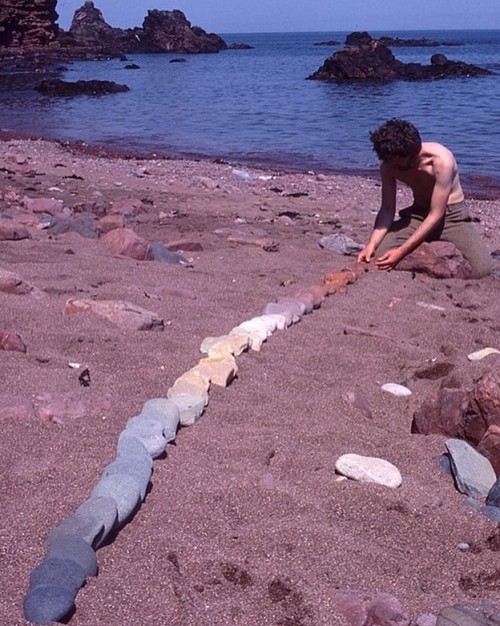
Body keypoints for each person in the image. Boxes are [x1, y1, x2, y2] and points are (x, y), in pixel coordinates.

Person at [357, 118, 492, 277]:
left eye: (399, 164)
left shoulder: (441, 161)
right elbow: (387, 209)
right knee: (378, 257)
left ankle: (427, 248)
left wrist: (401, 252)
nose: (394, 167)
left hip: (452, 217)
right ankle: (424, 251)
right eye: (390, 162)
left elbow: (436, 215)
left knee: (483, 269)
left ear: (412, 153)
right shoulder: (388, 164)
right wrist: (371, 244)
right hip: (418, 214)